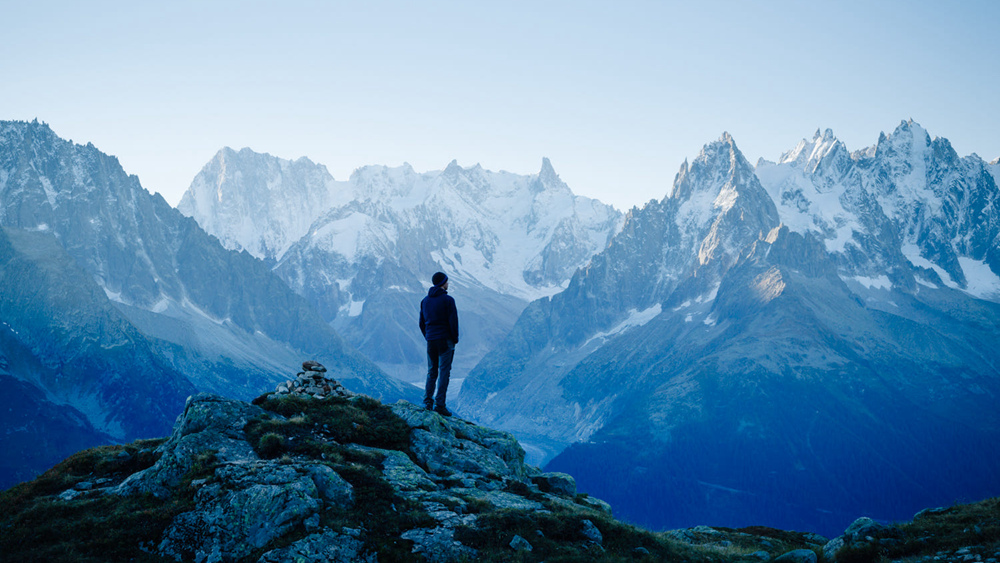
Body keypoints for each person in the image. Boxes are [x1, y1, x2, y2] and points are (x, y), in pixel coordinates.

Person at [419, 271, 459, 416]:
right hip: (445, 340)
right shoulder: (448, 300)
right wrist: (454, 338)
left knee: (431, 372)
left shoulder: (425, 301)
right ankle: (440, 405)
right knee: (444, 372)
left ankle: (427, 402)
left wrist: (428, 336)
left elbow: (421, 323)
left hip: (431, 340)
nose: (448, 284)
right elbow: (453, 322)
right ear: (443, 283)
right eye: (447, 281)